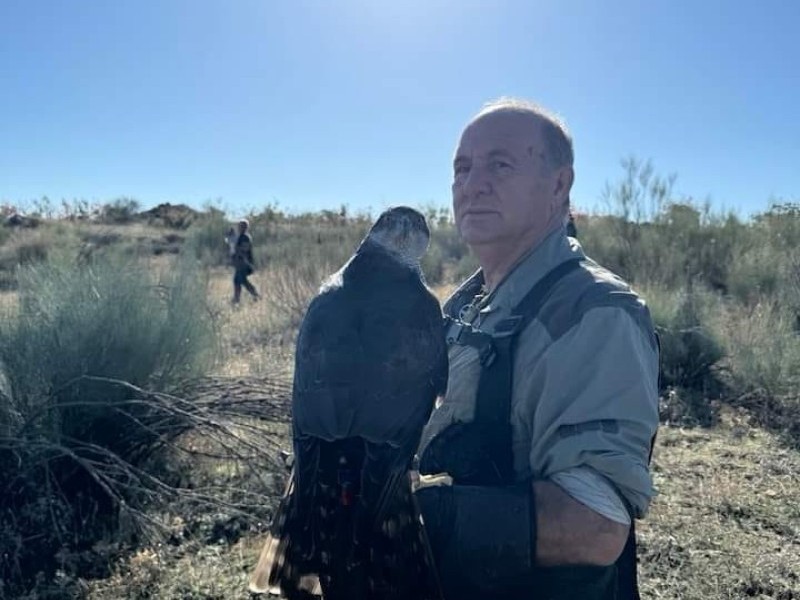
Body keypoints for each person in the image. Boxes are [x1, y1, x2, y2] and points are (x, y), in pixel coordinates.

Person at [414, 98, 660, 599]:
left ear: (558, 186)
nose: (472, 183)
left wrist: (409, 517)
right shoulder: (467, 302)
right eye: (462, 168)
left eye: (500, 164)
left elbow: (595, 526)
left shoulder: (592, 312)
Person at [230, 219, 260, 304]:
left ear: (245, 227)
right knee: (240, 280)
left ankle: (238, 299)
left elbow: (245, 248)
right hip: (240, 263)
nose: (239, 227)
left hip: (244, 263)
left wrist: (236, 249)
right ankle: (238, 298)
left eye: (241, 226)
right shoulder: (241, 237)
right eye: (239, 226)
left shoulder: (245, 237)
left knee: (239, 280)